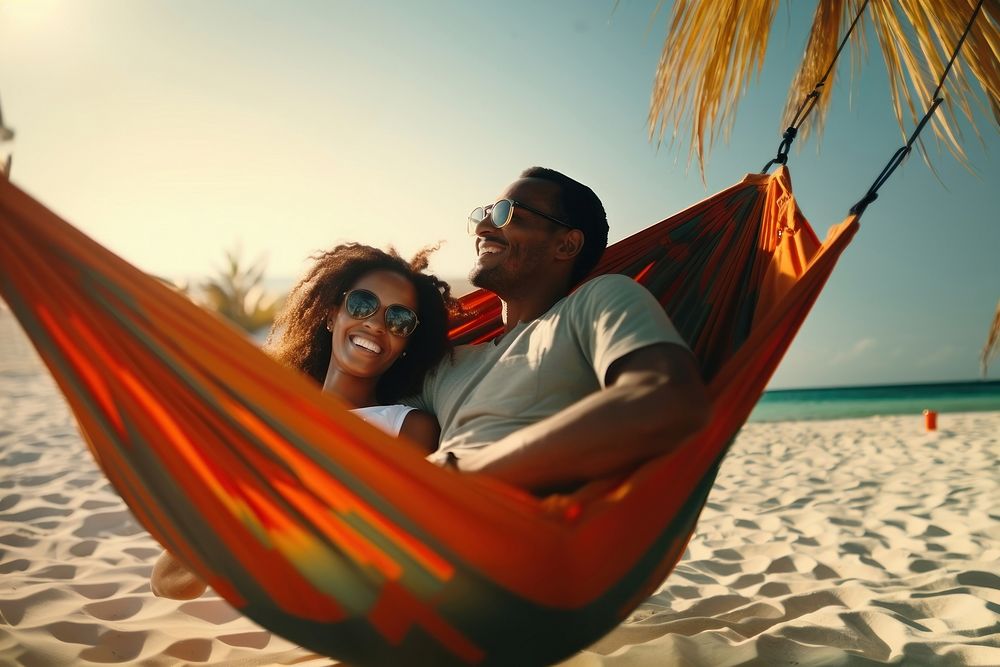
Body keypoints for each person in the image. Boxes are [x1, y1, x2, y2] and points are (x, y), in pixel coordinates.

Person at [151, 243, 456, 599]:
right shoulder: (271, 426)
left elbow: (392, 556)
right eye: (362, 304)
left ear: (406, 343)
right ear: (331, 315)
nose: (375, 324)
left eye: (398, 319)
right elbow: (168, 582)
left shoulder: (408, 428)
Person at [409, 167, 711, 494]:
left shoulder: (594, 303)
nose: (483, 228)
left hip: (500, 526)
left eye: (505, 214)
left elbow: (667, 401)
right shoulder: (449, 364)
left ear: (566, 245)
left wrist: (463, 471)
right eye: (484, 214)